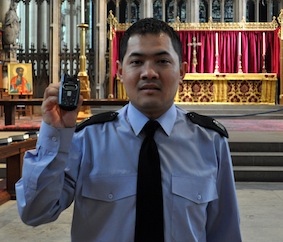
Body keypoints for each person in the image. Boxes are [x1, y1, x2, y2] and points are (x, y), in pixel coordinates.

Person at [16, 18, 242, 242]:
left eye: (162, 61)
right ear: (120, 71)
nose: (149, 73)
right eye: (137, 62)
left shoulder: (210, 141)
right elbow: (35, 212)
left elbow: (225, 231)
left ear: (182, 71)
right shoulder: (87, 140)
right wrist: (54, 134)